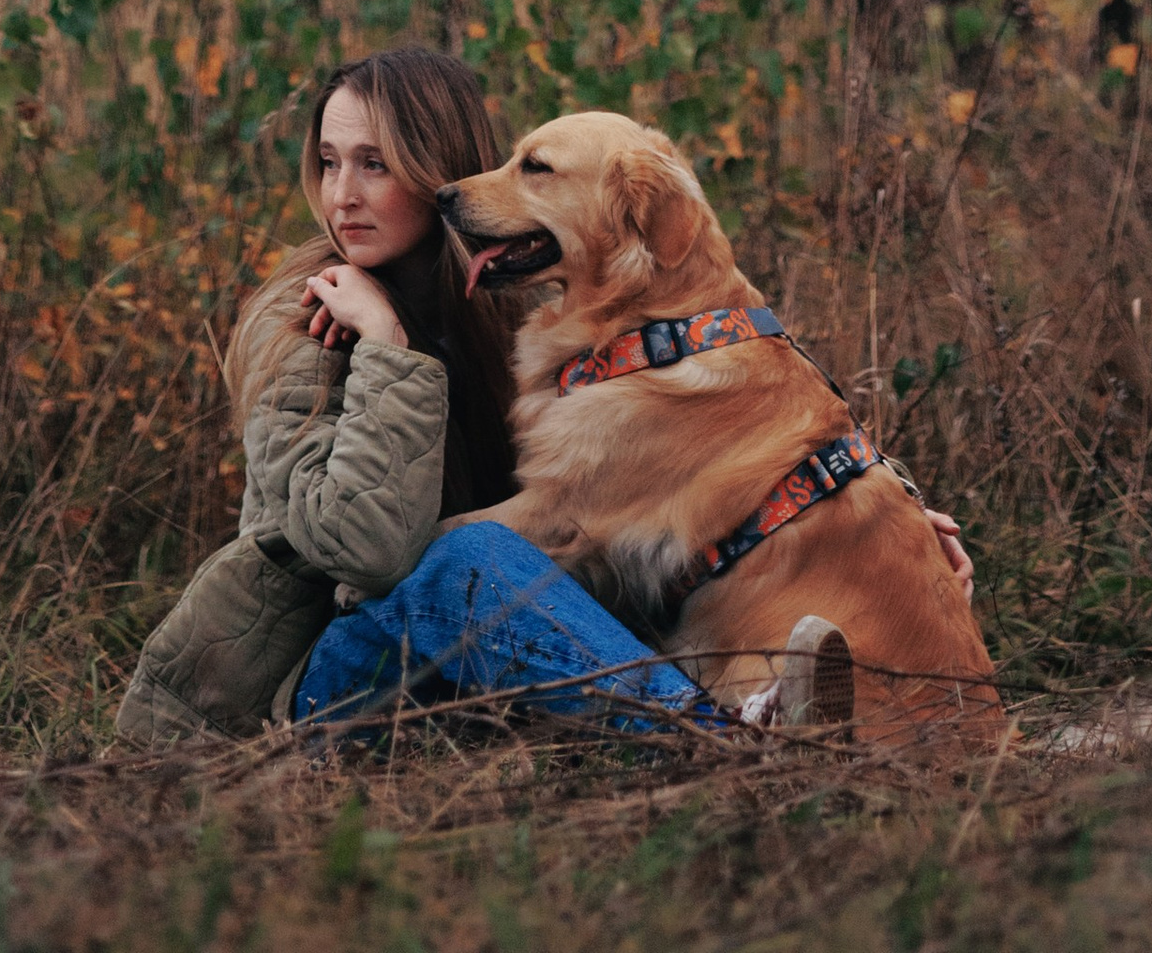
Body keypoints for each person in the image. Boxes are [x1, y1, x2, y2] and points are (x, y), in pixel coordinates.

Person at [113, 40, 970, 745]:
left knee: (501, 573)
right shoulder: (305, 322)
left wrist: (810, 516)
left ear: (436, 167)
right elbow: (367, 554)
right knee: (468, 562)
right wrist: (384, 349)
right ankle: (715, 749)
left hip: (455, 664)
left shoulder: (506, 312)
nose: (343, 195)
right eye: (330, 162)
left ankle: (764, 730)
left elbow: (588, 532)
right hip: (307, 691)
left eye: (375, 164)